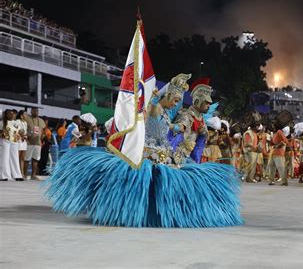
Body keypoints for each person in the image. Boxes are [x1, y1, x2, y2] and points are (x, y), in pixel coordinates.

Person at [45, 71, 242, 227]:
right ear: (169, 95)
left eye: (178, 101)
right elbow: (151, 119)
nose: (176, 104)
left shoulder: (165, 113)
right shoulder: (156, 109)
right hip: (149, 155)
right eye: (175, 99)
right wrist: (154, 103)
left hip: (166, 155)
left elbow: (170, 130)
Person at [0, 109, 24, 181]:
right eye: (10, 114)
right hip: (5, 141)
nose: (12, 115)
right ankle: (3, 176)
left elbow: (20, 132)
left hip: (14, 142)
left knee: (15, 158)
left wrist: (21, 135)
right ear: (6, 115)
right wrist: (2, 134)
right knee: (4, 158)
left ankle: (17, 175)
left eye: (12, 113)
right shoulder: (2, 123)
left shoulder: (16, 123)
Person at [24, 107, 46, 180]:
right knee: (26, 159)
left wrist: (41, 139)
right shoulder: (27, 119)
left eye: (37, 110)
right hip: (29, 143)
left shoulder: (41, 121)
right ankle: (24, 175)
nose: (35, 112)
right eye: (34, 110)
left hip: (38, 143)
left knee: (35, 159)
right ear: (31, 111)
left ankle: (33, 176)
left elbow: (43, 131)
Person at [17, 110, 28, 178]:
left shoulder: (25, 123)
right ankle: (17, 172)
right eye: (25, 114)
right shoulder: (17, 121)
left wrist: (26, 136)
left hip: (24, 141)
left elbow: (25, 131)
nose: (26, 116)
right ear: (21, 116)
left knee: (23, 158)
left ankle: (22, 173)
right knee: (17, 157)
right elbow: (17, 130)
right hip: (18, 141)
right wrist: (22, 135)